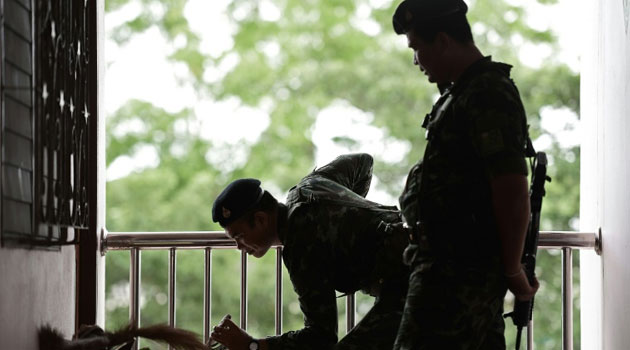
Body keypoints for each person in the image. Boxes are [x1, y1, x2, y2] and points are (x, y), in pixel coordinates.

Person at [390, 0, 540, 349]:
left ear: (443, 41)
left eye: (417, 48)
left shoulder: (488, 91)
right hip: (445, 267)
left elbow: (512, 191)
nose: (416, 60)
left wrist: (513, 271)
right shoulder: (460, 93)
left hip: (458, 274)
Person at [209, 153, 409, 350]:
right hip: (416, 248)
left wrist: (250, 345)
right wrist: (352, 218)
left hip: (412, 278)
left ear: (261, 219)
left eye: (239, 237)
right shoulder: (309, 187)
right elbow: (363, 162)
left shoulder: (300, 245)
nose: (239, 247)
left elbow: (320, 337)